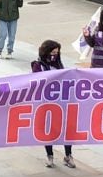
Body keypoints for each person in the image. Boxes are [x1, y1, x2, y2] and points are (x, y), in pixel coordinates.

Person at [31, 40, 74, 168]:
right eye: (52, 52)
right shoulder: (38, 65)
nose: (54, 55)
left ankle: (68, 155)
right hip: (46, 104)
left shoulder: (59, 65)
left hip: (61, 103)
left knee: (66, 129)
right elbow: (36, 80)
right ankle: (50, 156)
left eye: (57, 53)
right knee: (48, 130)